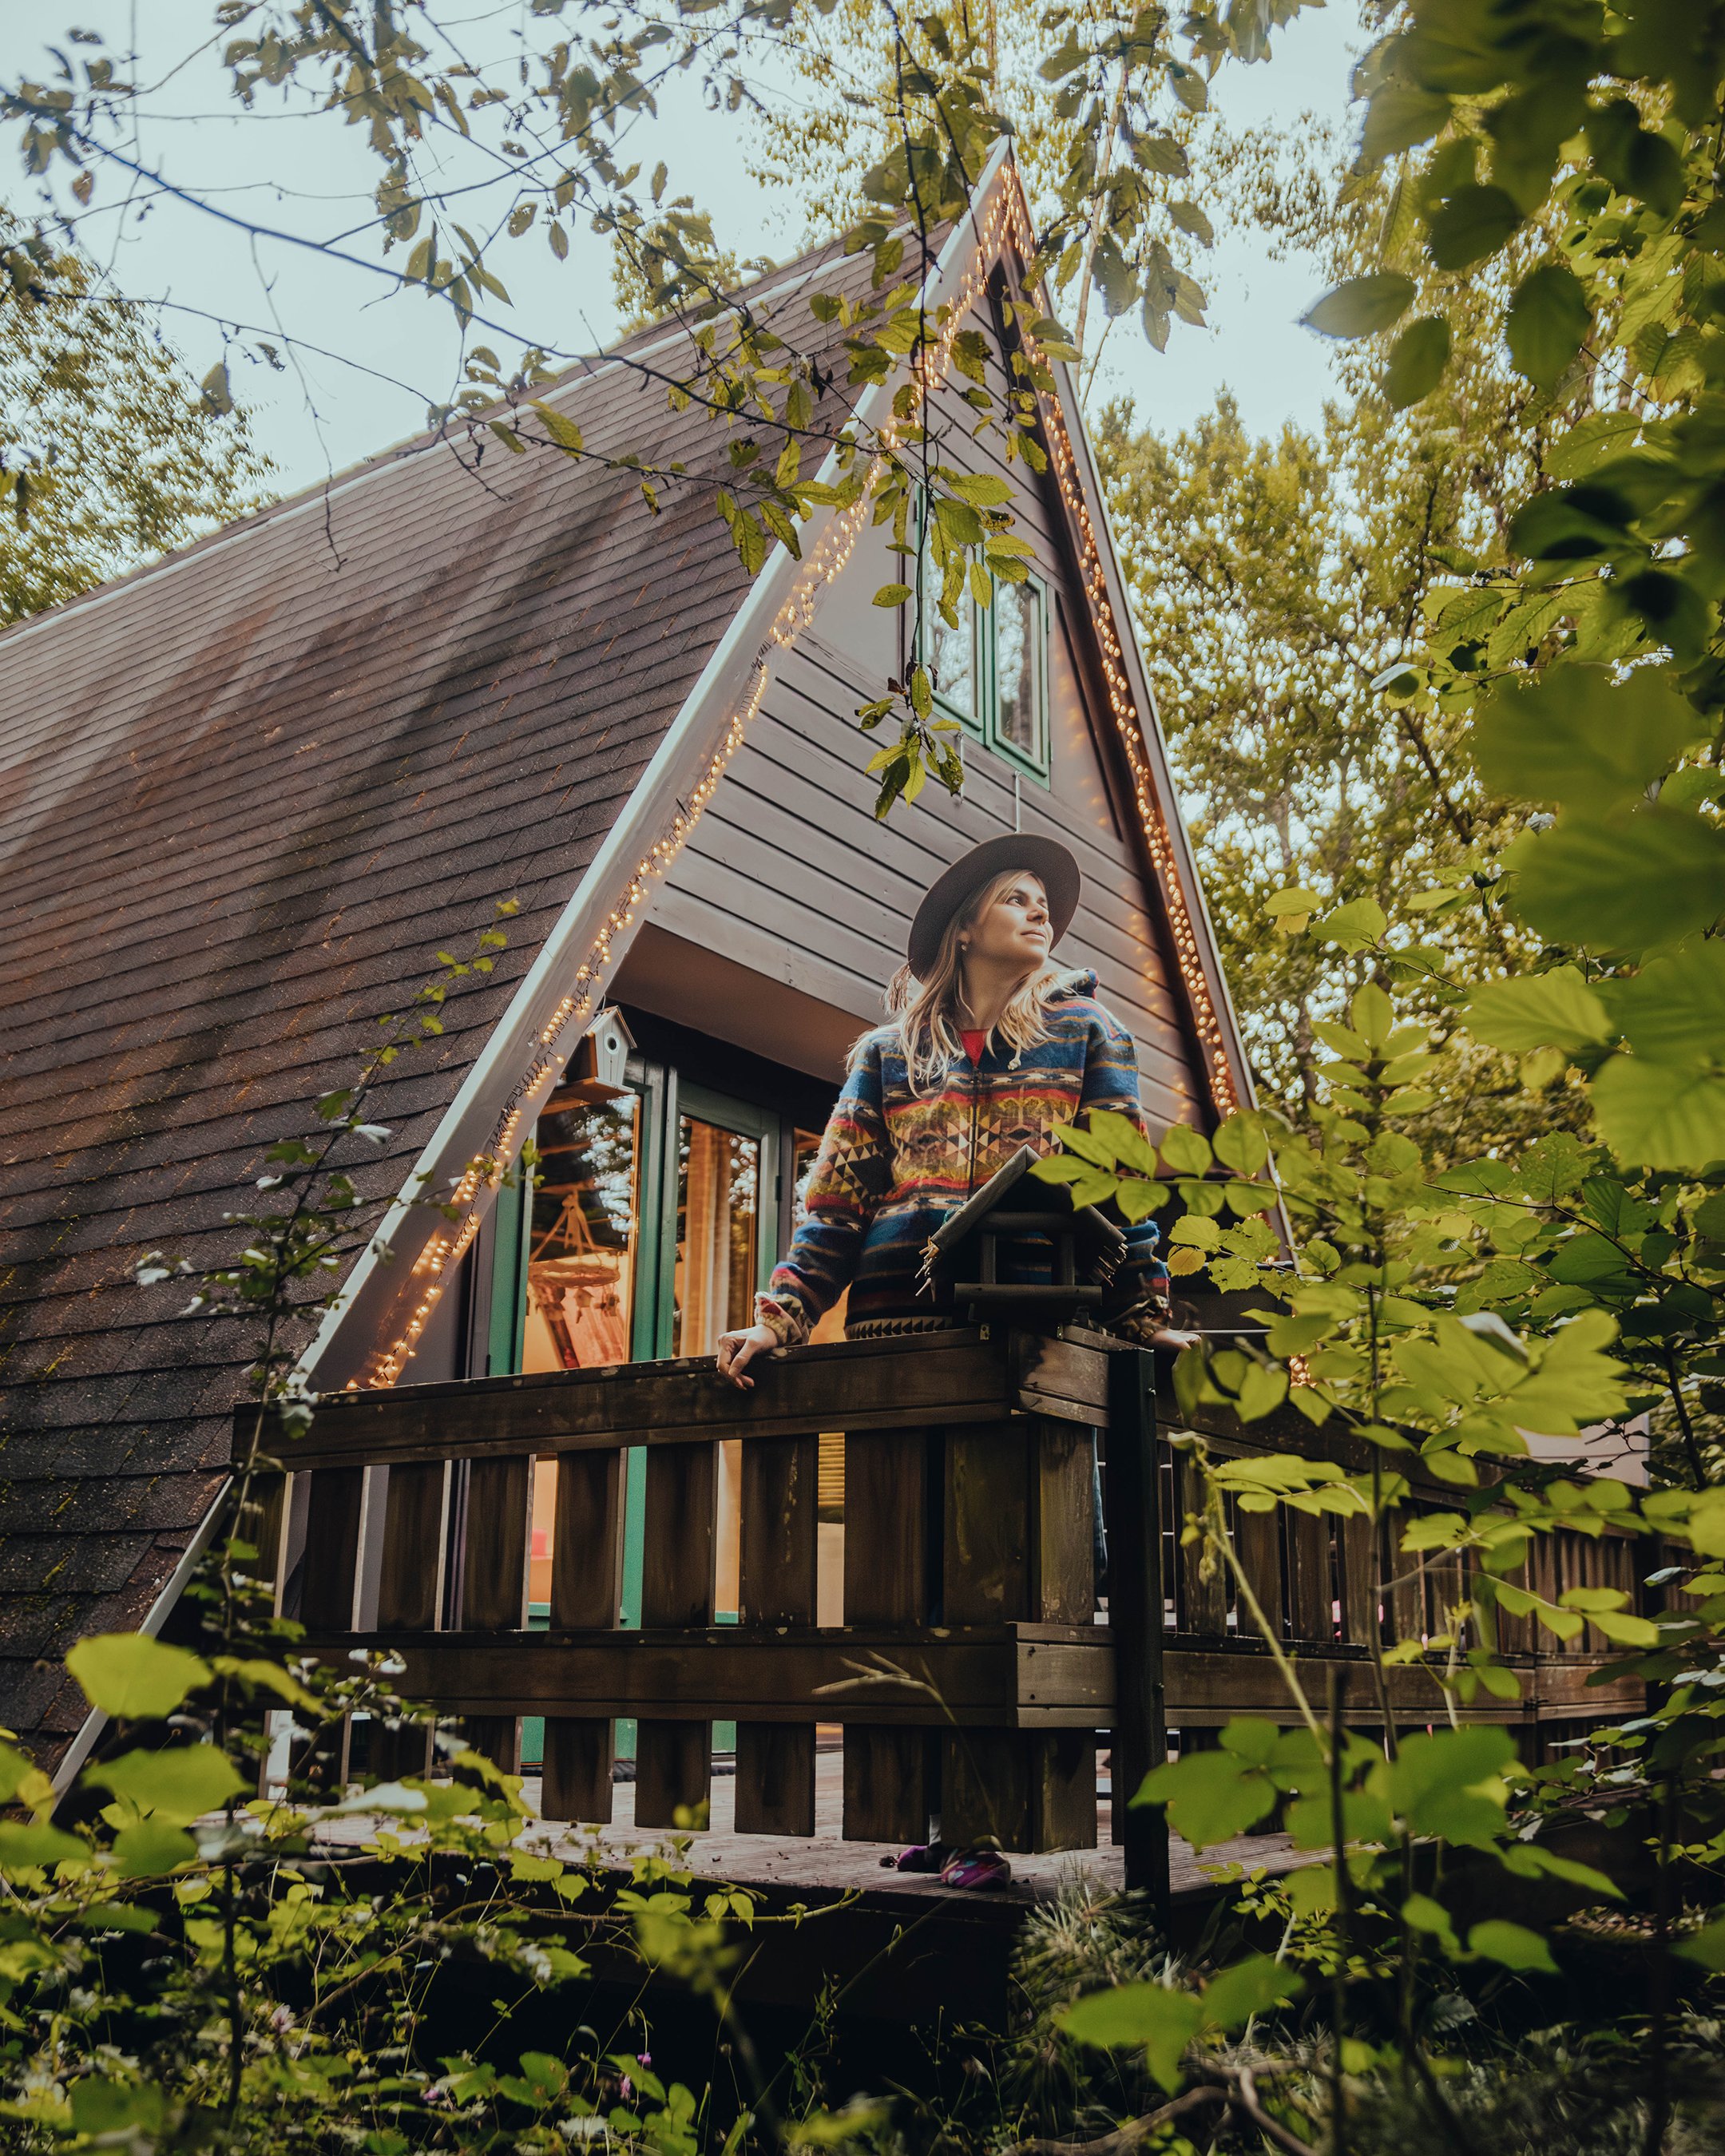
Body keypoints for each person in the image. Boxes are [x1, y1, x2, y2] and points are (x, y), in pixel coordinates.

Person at [716, 833, 1188, 1389]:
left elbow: (1121, 1187)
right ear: (964, 929)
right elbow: (837, 1210)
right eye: (1016, 899)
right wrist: (779, 1320)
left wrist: (1142, 1318)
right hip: (896, 1334)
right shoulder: (889, 1055)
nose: (1041, 911)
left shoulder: (1088, 1031)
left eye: (1044, 904)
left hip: (1042, 1333)